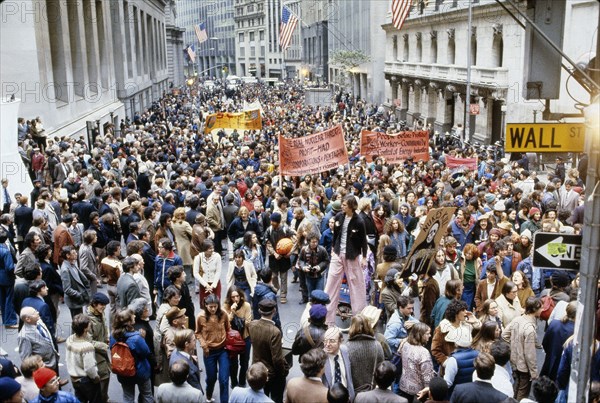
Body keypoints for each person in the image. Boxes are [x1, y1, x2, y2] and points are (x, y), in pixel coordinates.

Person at [324, 195, 369, 324]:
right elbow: (336, 235)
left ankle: (359, 321)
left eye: (344, 205)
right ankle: (327, 320)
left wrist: (364, 257)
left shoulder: (359, 221)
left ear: (351, 206)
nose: (341, 206)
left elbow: (363, 241)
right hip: (338, 253)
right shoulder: (339, 216)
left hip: (352, 256)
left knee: (356, 286)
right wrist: (333, 248)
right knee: (330, 285)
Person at [247, 299, 289, 403]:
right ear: (274, 311)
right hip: (272, 374)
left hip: (257, 370)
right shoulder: (275, 331)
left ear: (260, 311)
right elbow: (277, 359)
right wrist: (283, 372)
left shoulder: (252, 325)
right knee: (276, 399)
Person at [501, 296, 543, 400]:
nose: (542, 310)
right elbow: (530, 354)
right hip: (524, 366)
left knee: (516, 386)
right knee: (523, 392)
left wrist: (514, 346)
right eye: (540, 308)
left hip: (514, 360)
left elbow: (504, 335)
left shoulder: (517, 319)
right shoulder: (530, 330)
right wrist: (534, 372)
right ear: (534, 309)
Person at [110, 309, 153, 403]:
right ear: (128, 322)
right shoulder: (136, 338)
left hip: (123, 371)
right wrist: (143, 339)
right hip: (140, 372)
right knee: (147, 395)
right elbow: (145, 352)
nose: (134, 316)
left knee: (128, 397)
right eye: (132, 315)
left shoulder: (113, 336)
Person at [195, 294, 230, 403]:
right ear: (205, 305)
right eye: (211, 307)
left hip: (223, 350)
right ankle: (208, 394)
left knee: (224, 380)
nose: (213, 309)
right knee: (211, 378)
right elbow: (197, 333)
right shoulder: (200, 317)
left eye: (215, 306)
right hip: (209, 352)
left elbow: (228, 329)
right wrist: (203, 344)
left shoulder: (223, 314)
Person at [431, 299, 481, 370]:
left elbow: (479, 337)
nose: (466, 312)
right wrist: (446, 362)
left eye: (466, 310)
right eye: (463, 310)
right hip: (450, 368)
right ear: (456, 313)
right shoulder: (442, 328)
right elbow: (435, 349)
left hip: (467, 364)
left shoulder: (467, 325)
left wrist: (475, 321)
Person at [65, 314, 101, 403]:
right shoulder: (87, 347)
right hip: (86, 380)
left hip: (74, 378)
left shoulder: (70, 339)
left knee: (80, 400)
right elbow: (89, 368)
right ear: (85, 329)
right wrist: (95, 378)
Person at [346, 314, 384, 393]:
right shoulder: (377, 346)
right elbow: (381, 369)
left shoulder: (346, 348)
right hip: (372, 391)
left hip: (353, 392)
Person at [224, 286, 253, 388]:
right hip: (232, 339)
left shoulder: (246, 305)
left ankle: (242, 381)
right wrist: (232, 311)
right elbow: (226, 323)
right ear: (229, 298)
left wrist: (237, 316)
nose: (235, 299)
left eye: (237, 296)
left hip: (245, 337)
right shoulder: (226, 307)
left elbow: (248, 323)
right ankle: (234, 382)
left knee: (244, 362)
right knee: (233, 363)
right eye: (233, 297)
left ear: (241, 296)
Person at [17, 307, 60, 376]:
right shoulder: (23, 336)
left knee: (55, 380)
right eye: (34, 313)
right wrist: (40, 366)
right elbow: (26, 359)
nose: (38, 313)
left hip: (53, 359)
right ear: (28, 319)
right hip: (43, 367)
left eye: (36, 310)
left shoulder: (38, 321)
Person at [398, 322, 436, 401]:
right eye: (427, 334)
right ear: (420, 335)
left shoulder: (405, 344)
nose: (430, 335)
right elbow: (427, 376)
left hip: (403, 386)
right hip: (419, 393)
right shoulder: (423, 352)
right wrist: (428, 390)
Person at [264, 212, 295, 304]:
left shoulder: (286, 229)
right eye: (271, 221)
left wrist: (290, 252)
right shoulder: (269, 230)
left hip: (284, 257)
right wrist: (274, 253)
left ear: (278, 222)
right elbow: (267, 242)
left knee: (284, 277)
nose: (272, 223)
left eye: (274, 221)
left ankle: (283, 294)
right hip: (273, 257)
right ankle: (276, 289)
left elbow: (295, 240)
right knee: (274, 276)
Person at [540, 301, 576, 380]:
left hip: (550, 361)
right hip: (564, 367)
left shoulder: (554, 323)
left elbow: (545, 343)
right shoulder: (576, 332)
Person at [85, 293, 111, 403]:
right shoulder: (87, 320)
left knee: (106, 376)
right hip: (95, 354)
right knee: (102, 378)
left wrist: (107, 336)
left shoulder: (100, 313)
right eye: (101, 305)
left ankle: (104, 398)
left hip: (102, 352)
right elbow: (88, 341)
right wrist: (104, 345)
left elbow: (105, 326)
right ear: (94, 304)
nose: (104, 307)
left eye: (105, 305)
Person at [321, 326, 355, 401]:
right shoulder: (320, 357)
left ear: (340, 341)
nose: (327, 344)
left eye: (332, 341)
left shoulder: (345, 351)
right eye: (325, 341)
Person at [60, 245, 91, 318]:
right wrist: (79, 295)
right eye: (74, 253)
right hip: (74, 301)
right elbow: (67, 289)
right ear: (68, 255)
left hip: (78, 299)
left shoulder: (72, 264)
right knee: (77, 322)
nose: (76, 254)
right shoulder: (65, 269)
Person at [193, 239, 222, 308]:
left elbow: (218, 271)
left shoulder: (217, 256)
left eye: (213, 248)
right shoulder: (198, 258)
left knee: (216, 304)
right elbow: (195, 273)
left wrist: (213, 285)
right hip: (204, 285)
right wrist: (206, 285)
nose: (212, 250)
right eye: (210, 248)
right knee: (204, 305)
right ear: (205, 249)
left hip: (215, 284)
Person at [155, 238, 183, 305]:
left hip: (172, 290)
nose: (158, 249)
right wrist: (155, 287)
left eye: (160, 247)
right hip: (161, 289)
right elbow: (156, 272)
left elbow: (179, 275)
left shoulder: (176, 259)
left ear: (166, 249)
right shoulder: (158, 258)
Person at [169, 265, 195, 330]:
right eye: (183, 274)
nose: (185, 275)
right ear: (177, 278)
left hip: (189, 313)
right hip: (180, 316)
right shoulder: (171, 291)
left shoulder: (184, 284)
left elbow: (188, 298)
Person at [0, 228, 17, 328]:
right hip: (6, 277)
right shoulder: (6, 251)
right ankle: (10, 321)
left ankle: (5, 319)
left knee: (2, 299)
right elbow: (10, 267)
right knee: (9, 299)